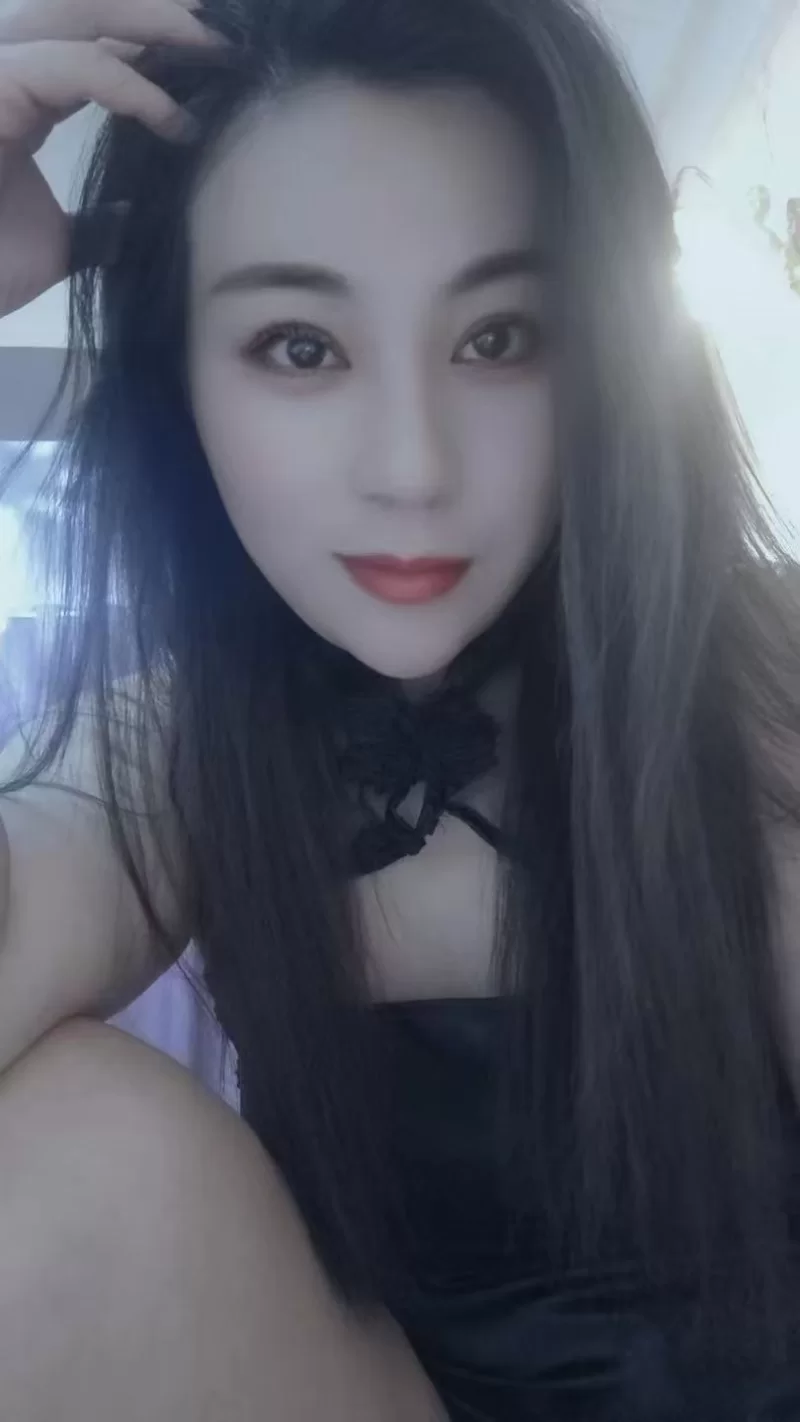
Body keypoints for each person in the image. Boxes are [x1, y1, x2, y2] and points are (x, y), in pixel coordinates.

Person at [0, 0, 799, 1416]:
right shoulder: (178, 748)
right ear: (179, 377)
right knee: (49, 1164)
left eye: (499, 336)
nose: (413, 467)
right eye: (301, 348)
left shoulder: (759, 667)